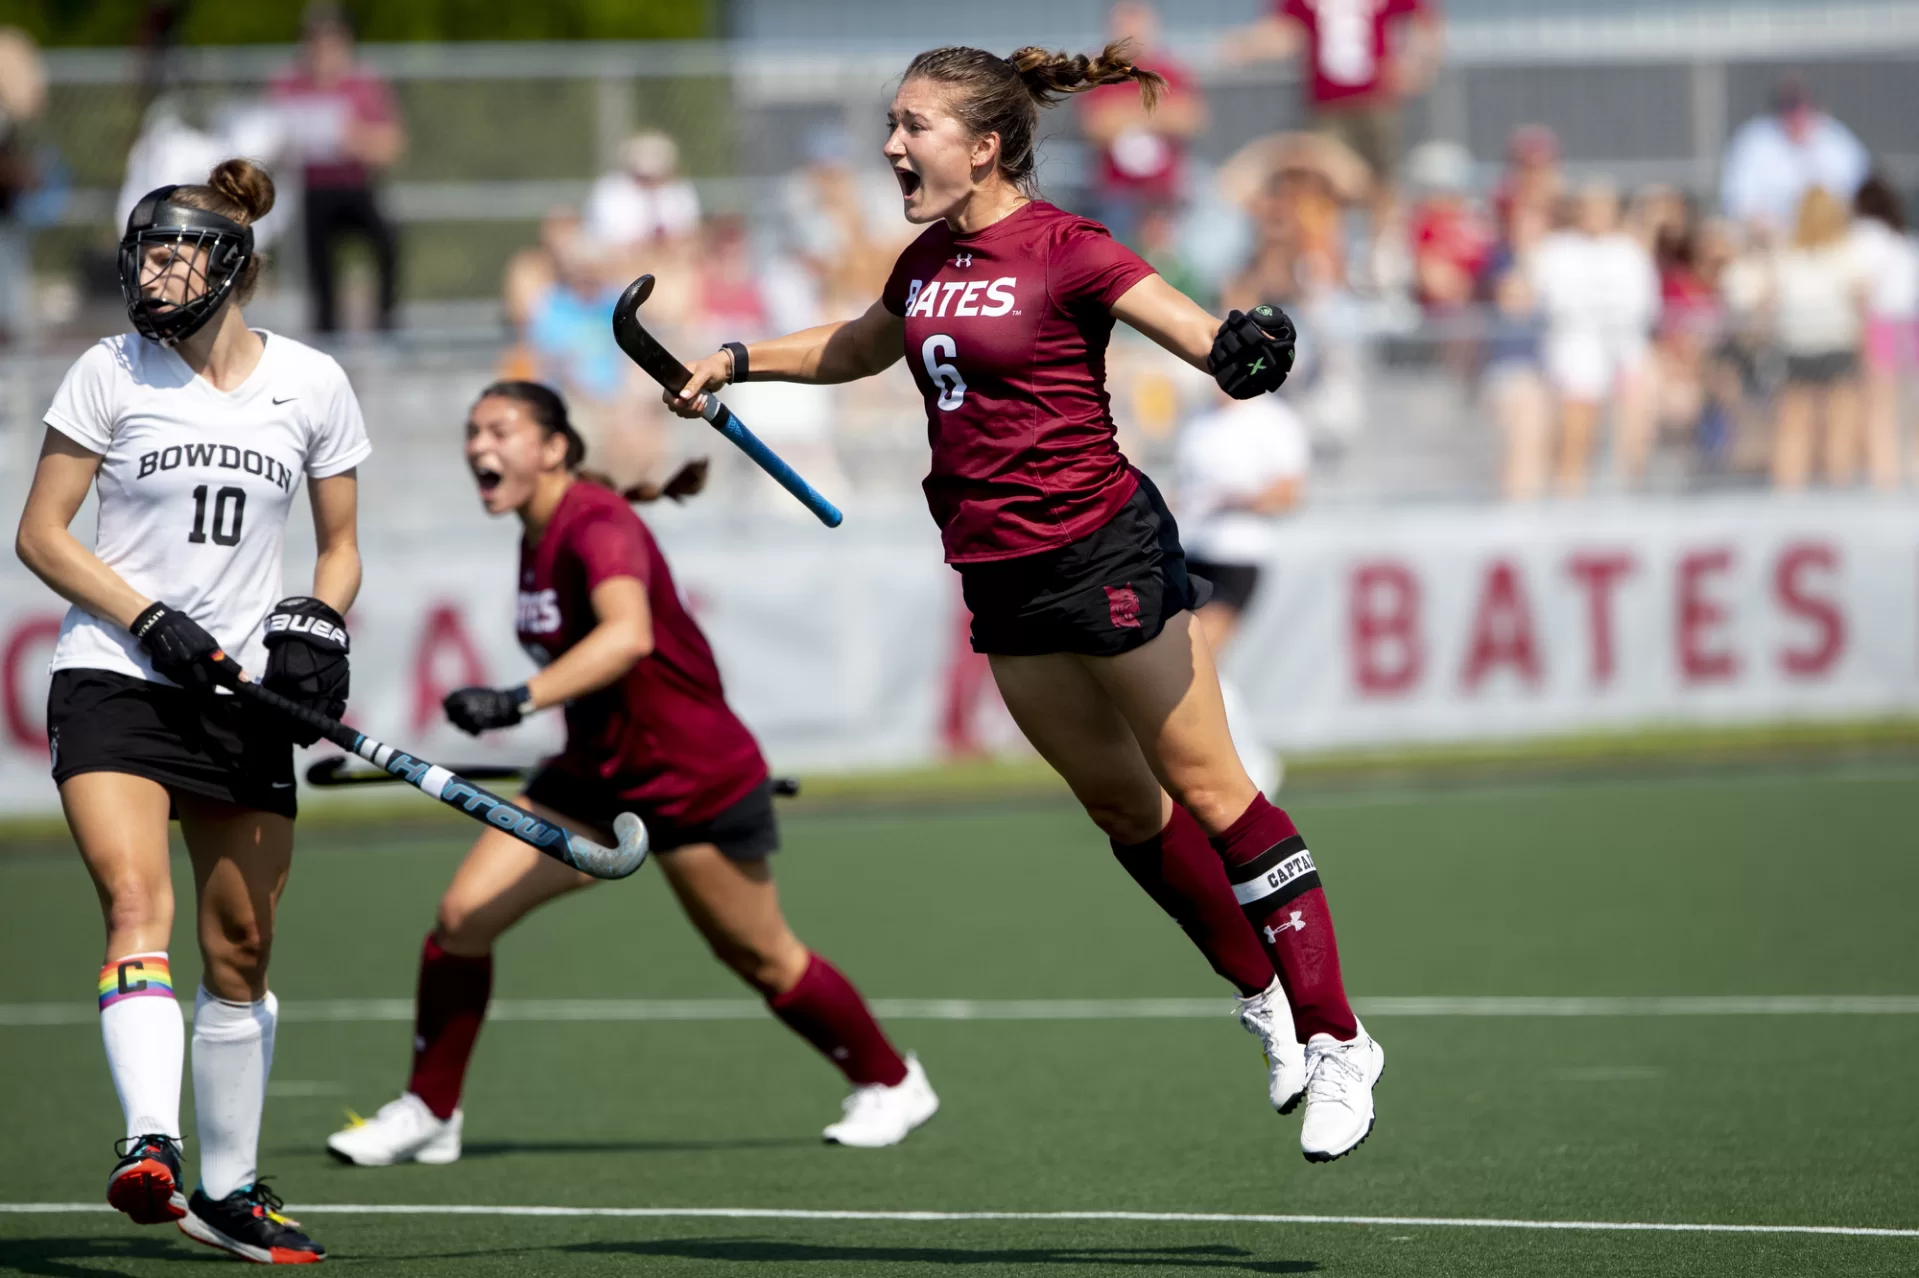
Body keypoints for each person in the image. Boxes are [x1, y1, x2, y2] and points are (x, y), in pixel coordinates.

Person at [666, 42, 1384, 1163]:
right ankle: (1264, 996)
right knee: (1120, 812)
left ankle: (1338, 1035)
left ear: (985, 143)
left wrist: (1246, 350)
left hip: (1103, 554)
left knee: (1209, 788)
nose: (891, 146)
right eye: (890, 124)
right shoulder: (922, 263)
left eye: (913, 126)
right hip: (996, 572)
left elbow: (1202, 338)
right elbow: (864, 344)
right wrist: (737, 357)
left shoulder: (1069, 247)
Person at [325, 381, 936, 1165]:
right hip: (591, 775)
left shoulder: (596, 522)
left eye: (501, 430)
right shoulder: (535, 530)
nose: (479, 445)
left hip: (691, 777)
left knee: (760, 955)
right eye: (472, 431)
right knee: (461, 921)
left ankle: (891, 1082)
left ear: (553, 448)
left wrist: (517, 698)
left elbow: (627, 637)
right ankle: (430, 1109)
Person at [13, 159, 370, 1264]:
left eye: (179, 250)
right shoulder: (106, 373)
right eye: (147, 250)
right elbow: (42, 533)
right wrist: (147, 614)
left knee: (243, 951)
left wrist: (317, 625)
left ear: (235, 266)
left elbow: (341, 547)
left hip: (242, 693)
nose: (157, 268)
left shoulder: (310, 384)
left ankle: (228, 1191)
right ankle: (149, 1144)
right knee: (136, 904)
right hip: (116, 674)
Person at [1229, 0, 1443, 263]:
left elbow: (1424, 18)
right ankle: (1330, 258)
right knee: (1326, 182)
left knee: (1382, 180)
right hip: (1327, 107)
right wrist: (1244, 45)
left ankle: (1381, 256)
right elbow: (1284, 31)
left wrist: (1417, 65)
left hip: (1376, 100)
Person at [1176, 390, 1309, 795]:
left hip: (1237, 554)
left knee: (1197, 659)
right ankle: (1231, 765)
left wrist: (1234, 500)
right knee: (1197, 666)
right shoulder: (1197, 417)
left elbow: (1289, 492)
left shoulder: (1272, 419)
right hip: (1190, 551)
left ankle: (1252, 766)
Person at [269, 4, 405, 332]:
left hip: (354, 187)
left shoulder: (364, 84)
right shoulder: (288, 84)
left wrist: (354, 139)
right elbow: (266, 134)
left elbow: (392, 144)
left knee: (388, 238)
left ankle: (385, 323)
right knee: (316, 251)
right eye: (316, 39)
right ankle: (326, 329)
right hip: (308, 191)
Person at [1529, 180, 1659, 495]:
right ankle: (1571, 502)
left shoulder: (1628, 252)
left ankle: (1629, 495)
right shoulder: (1557, 249)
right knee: (1576, 431)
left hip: (1623, 353)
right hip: (1575, 354)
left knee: (1637, 416)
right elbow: (1547, 302)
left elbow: (1645, 308)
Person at [1767, 185, 1870, 490]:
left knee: (1794, 426)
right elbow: (1861, 299)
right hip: (1836, 342)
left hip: (1797, 343)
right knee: (1840, 424)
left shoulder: (1788, 254)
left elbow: (1773, 298)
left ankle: (1789, 491)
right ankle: (1838, 488)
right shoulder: (1845, 252)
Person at [1078, 1, 1205, 247]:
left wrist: (1127, 112)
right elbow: (1096, 124)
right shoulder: (1099, 72)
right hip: (1116, 195)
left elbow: (1190, 117)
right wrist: (1158, 112)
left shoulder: (1170, 70)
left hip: (1165, 194)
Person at [1720, 76, 1868, 239]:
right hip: (1770, 240)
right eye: (1789, 107)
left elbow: (1859, 193)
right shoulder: (1754, 142)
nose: (1796, 115)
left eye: (1801, 106)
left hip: (1833, 236)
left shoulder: (1838, 142)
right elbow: (1739, 201)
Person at [1850, 175, 1917, 489]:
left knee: (1880, 409)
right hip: (1910, 325)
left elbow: (1863, 289)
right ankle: (1912, 471)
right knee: (1909, 409)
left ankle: (1884, 477)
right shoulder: (1902, 239)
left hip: (1882, 324)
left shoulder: (1865, 237)